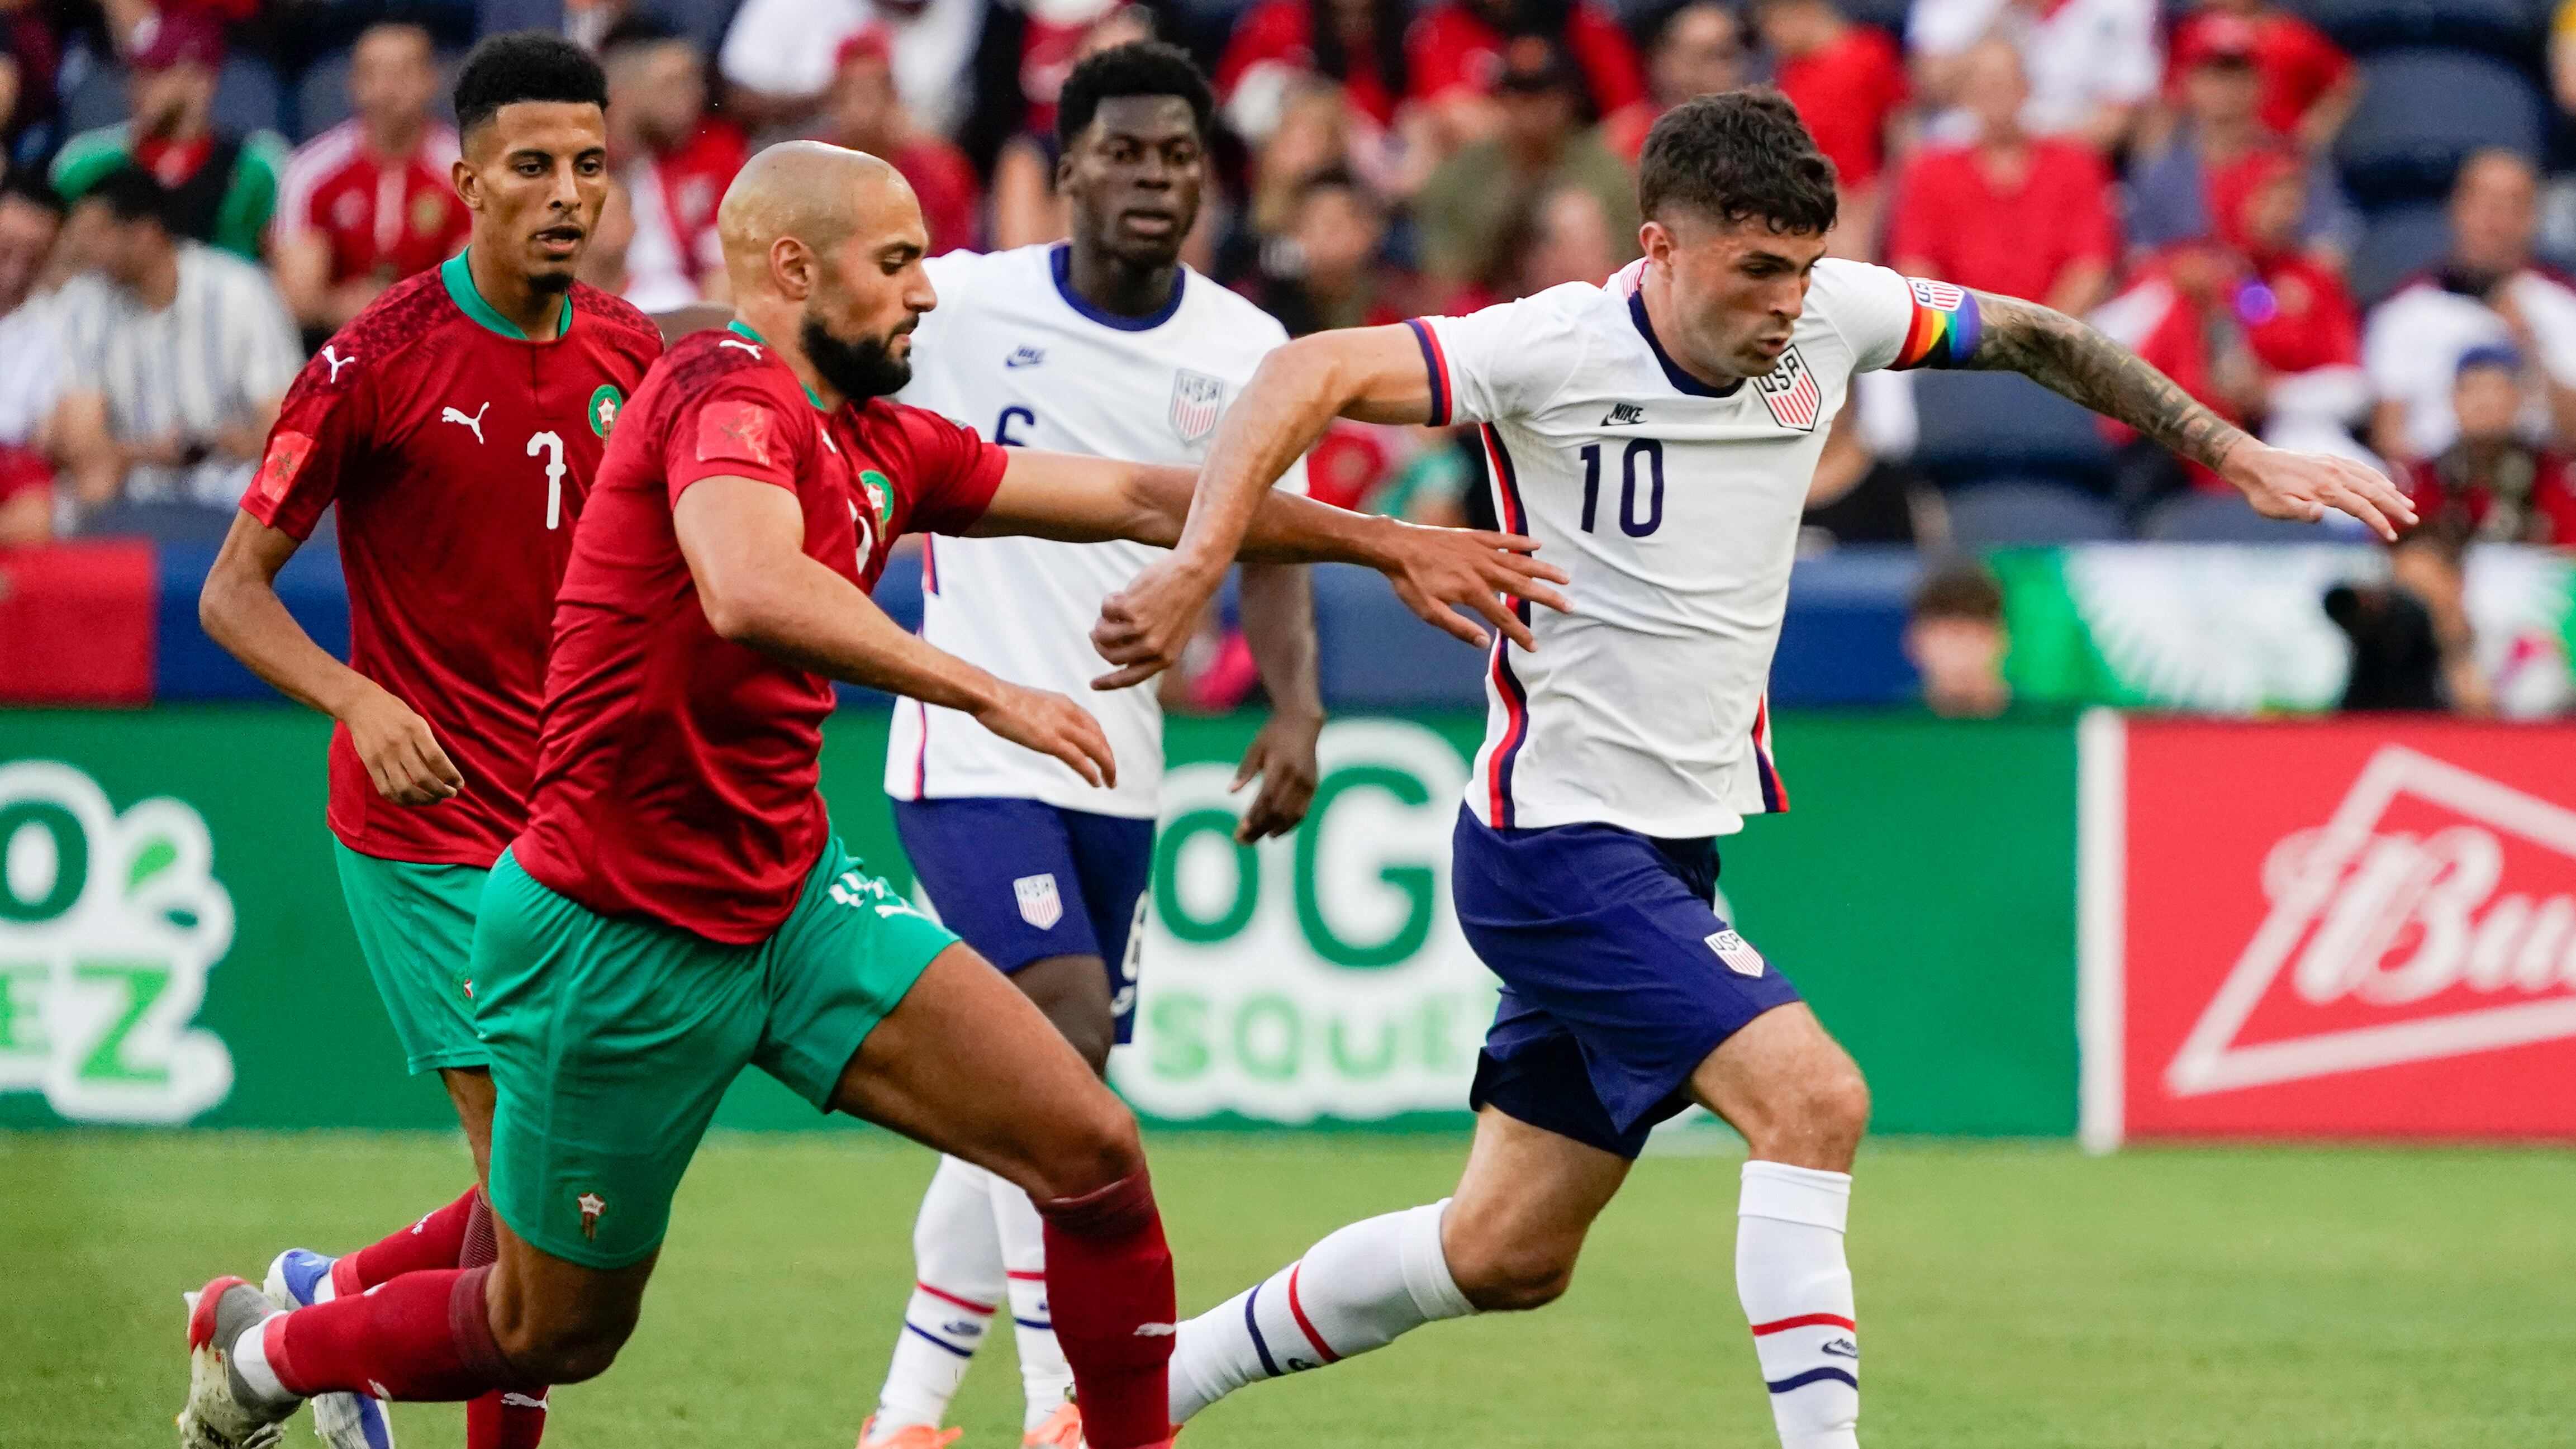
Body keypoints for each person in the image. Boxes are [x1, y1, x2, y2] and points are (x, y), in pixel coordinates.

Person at [177, 138, 1571, 1449]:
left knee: (1089, 1153)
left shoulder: (885, 436)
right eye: (897, 262)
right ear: (793, 269)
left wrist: (1382, 539)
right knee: (552, 1328)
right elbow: (748, 584)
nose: (924, 291)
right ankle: (266, 1357)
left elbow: (1148, 497)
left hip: (790, 906)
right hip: (611, 933)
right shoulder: (720, 389)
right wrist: (982, 689)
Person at [1086, 89, 2412, 1448]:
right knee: (1814, 1099)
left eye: (1803, 267)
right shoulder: (1549, 345)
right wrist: (1197, 566)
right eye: (1756, 268)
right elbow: (1298, 375)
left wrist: (2230, 451)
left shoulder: (1831, 317)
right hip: (1555, 845)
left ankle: (1134, 1399)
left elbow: (2036, 334)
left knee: (1503, 1252)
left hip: (1666, 850)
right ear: (1659, 247)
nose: (1787, 302)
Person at [194, 34, 666, 1449]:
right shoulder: (374, 359)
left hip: (571, 827)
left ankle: (308, 1313)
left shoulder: (631, 353)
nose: (566, 193)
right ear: (466, 182)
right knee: (540, 1215)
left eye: (589, 165)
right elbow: (231, 593)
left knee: (568, 1181)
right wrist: (356, 697)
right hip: (427, 826)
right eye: (532, 166)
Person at [856, 42, 1323, 1449]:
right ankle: (1057, 1399)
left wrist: (1295, 704)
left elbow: (1274, 541)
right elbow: (816, 343)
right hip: (969, 746)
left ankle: (904, 1416)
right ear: (1066, 169)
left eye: (1176, 156)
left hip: (1120, 766)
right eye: (1122, 152)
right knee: (1058, 1045)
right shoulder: (962, 302)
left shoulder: (1245, 350)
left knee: (1041, 1091)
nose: (1151, 178)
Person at [53, 165, 300, 515]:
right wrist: (150, 452)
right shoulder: (84, 302)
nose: (84, 249)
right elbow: (82, 440)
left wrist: (233, 442)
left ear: (144, 234)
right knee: (88, 483)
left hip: (235, 491)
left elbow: (287, 424)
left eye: (97, 234)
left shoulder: (240, 291)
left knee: (283, 474)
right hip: (130, 491)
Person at [2365, 149, 2576, 466]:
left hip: (2536, 480)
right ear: (2456, 210)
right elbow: (2389, 439)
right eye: (2482, 205)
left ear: (2533, 219)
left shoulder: (2563, 305)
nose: (2493, 223)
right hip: (2437, 481)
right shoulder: (2405, 310)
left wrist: (2530, 346)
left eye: (2511, 208)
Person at [1885, 40, 2117, 315]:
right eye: (1984, 84)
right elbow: (1917, 266)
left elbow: (2090, 265)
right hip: (1962, 331)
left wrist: (2045, 332)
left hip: (2060, 330)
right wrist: (1969, 332)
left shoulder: (2075, 164)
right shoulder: (1929, 172)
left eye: (2005, 82)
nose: (1995, 93)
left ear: (2026, 87)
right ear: (1964, 94)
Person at [275, 22, 472, 339]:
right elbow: (299, 299)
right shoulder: (310, 172)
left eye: (404, 74)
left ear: (431, 80)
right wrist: (342, 306)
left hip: (441, 346)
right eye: (373, 74)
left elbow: (476, 290)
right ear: (353, 84)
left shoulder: (467, 172)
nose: (388, 89)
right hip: (335, 344)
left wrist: (392, 309)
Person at [51, 8, 288, 262]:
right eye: (134, 72)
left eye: (156, 71)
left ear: (201, 81)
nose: (138, 86)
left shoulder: (257, 165)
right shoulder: (86, 163)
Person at [1413, 36, 1639, 289]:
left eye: (1544, 95)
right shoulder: (1464, 172)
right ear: (1499, 101)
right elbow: (1444, 272)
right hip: (1491, 304)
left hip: (1584, 298)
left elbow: (1622, 264)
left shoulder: (1604, 168)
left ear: (1568, 100)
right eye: (1519, 94)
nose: (1532, 110)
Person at [602, 17, 745, 310]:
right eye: (673, 84)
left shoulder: (712, 151)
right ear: (622, 94)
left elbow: (724, 263)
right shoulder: (575, 163)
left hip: (683, 311)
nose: (696, 95)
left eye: (695, 82)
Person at [1750, 0, 1903, 255]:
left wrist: (1885, 192)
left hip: (1864, 195)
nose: (1773, 38)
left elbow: (1897, 127)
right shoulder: (1791, 70)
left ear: (1805, 11)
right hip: (1809, 195)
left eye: (1775, 24)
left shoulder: (1869, 52)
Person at [815, 26, 981, 255]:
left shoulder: (939, 169)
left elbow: (954, 256)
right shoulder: (810, 167)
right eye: (849, 92)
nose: (860, 106)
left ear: (893, 96)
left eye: (870, 91)